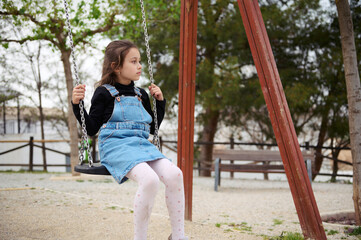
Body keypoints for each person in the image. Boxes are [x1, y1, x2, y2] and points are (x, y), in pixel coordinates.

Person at [72, 40, 188, 240]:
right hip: (116, 146)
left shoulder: (141, 94)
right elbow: (90, 127)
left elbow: (152, 128)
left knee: (175, 174)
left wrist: (159, 103)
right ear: (116, 67)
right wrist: (77, 104)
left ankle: (178, 236)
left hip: (141, 145)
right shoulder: (104, 93)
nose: (140, 66)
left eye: (140, 61)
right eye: (133, 61)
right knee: (150, 179)